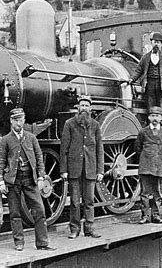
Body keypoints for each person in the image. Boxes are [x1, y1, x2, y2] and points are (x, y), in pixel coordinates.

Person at [0, 108, 56, 251]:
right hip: (13, 181)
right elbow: (0, 161)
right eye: (16, 120)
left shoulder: (31, 138)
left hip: (31, 179)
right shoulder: (6, 140)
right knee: (15, 213)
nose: (19, 123)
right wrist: (1, 181)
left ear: (24, 120)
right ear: (11, 121)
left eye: (21, 120)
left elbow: (39, 157)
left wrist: (41, 176)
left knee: (40, 211)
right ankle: (19, 242)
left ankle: (42, 243)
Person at [60, 95, 104, 239]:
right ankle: (74, 229)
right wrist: (63, 170)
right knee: (74, 201)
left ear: (90, 108)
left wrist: (100, 171)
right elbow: (64, 149)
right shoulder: (69, 124)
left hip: (90, 169)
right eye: (82, 105)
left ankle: (90, 228)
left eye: (86, 105)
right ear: (77, 107)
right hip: (74, 169)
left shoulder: (96, 125)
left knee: (89, 200)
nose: (84, 108)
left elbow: (99, 150)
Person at [135, 106, 162, 224]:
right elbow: (137, 147)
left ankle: (156, 215)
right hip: (145, 166)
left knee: (157, 192)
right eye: (153, 116)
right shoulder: (143, 131)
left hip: (158, 166)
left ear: (161, 118)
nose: (155, 118)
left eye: (157, 116)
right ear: (149, 117)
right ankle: (145, 216)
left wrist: (160, 156)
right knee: (145, 193)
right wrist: (146, 156)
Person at [129, 32, 162, 111]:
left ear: (161, 44)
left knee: (160, 108)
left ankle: (160, 123)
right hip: (149, 84)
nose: (156, 44)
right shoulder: (145, 57)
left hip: (161, 85)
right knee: (150, 107)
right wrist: (132, 79)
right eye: (154, 42)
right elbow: (139, 70)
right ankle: (150, 123)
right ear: (151, 43)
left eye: (158, 42)